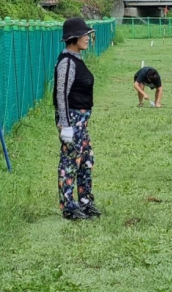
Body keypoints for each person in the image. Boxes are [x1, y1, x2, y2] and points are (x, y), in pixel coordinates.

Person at [54, 18, 100, 220]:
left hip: (81, 119)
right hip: (71, 119)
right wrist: (66, 126)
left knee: (86, 160)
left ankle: (85, 201)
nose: (87, 38)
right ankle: (69, 206)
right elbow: (61, 95)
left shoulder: (77, 58)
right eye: (84, 35)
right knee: (70, 161)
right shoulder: (66, 62)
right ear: (73, 38)